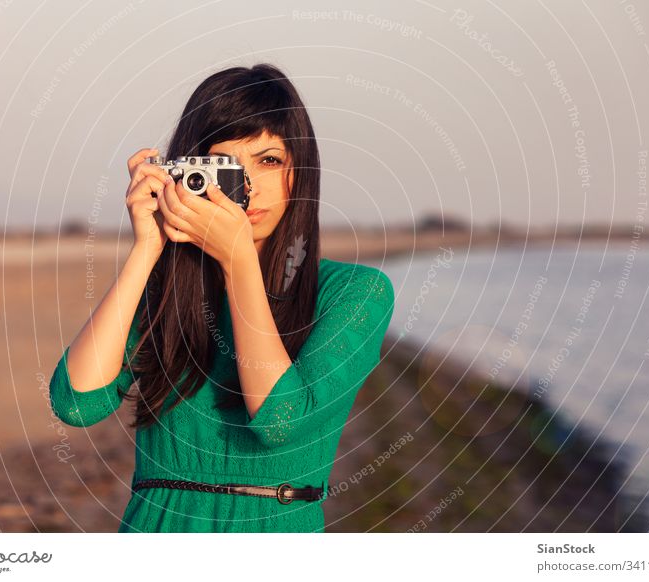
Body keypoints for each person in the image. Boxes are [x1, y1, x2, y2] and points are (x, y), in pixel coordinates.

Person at [48, 63, 396, 533]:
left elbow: (278, 421)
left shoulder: (356, 293)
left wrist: (238, 263)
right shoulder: (168, 290)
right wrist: (147, 249)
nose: (247, 188)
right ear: (188, 173)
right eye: (226, 166)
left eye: (269, 161)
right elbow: (77, 403)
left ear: (302, 174)